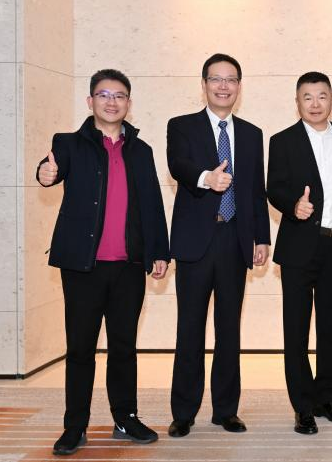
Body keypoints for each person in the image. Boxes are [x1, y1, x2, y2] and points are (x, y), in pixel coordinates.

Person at [36, 69, 169, 456]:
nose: (112, 102)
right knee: (80, 348)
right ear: (90, 101)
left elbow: (152, 204)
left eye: (119, 96)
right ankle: (74, 426)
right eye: (104, 94)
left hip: (129, 266)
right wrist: (44, 174)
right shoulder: (68, 143)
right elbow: (50, 170)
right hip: (83, 267)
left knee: (124, 347)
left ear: (129, 103)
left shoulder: (140, 150)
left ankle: (125, 418)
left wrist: (159, 251)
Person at [167, 53, 270, 437]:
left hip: (235, 240)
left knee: (229, 330)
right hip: (195, 241)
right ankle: (183, 412)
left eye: (231, 80)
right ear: (204, 84)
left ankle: (226, 410)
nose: (223, 86)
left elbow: (256, 190)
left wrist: (262, 236)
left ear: (239, 87)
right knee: (189, 329)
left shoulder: (252, 134)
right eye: (216, 79)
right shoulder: (181, 126)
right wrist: (206, 178)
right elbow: (177, 165)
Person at [267, 72, 332, 435]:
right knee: (296, 330)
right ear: (297, 102)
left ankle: (326, 399)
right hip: (298, 247)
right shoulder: (282, 140)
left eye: (321, 96)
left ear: (331, 99)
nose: (315, 103)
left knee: (329, 328)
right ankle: (303, 405)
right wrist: (294, 205)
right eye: (307, 97)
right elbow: (273, 187)